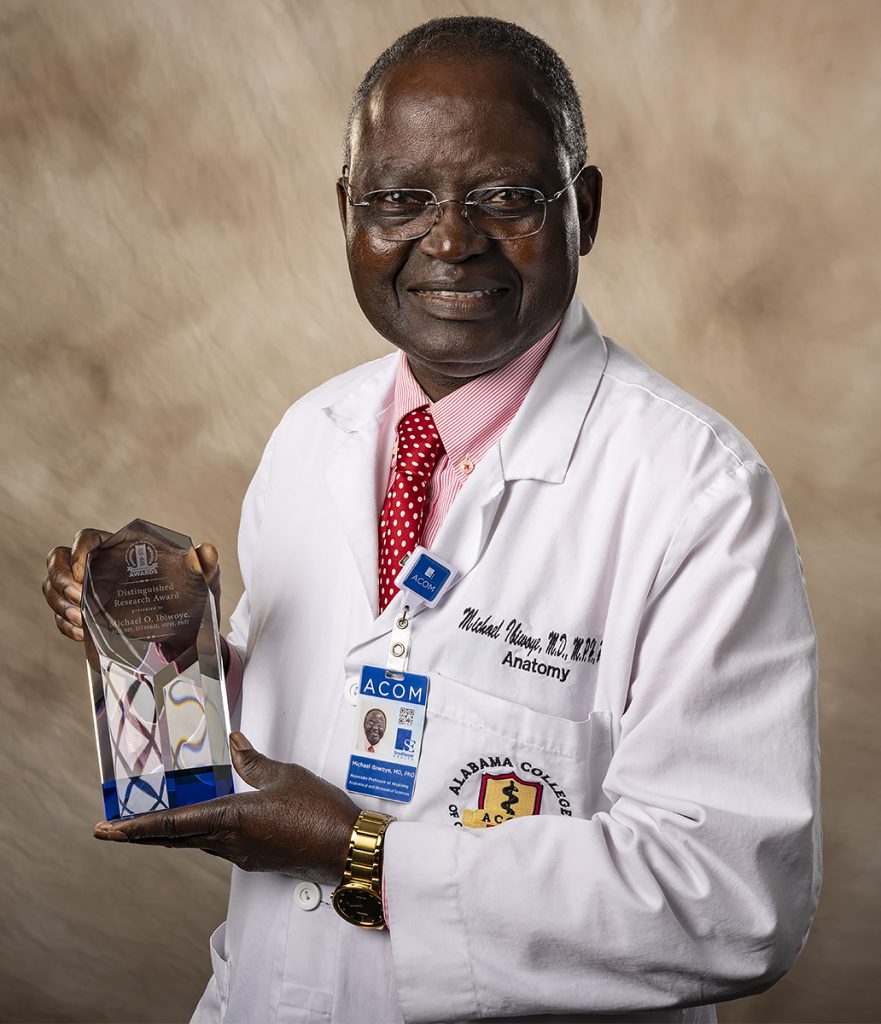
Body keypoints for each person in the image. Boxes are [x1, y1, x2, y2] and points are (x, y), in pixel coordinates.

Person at [42, 16, 820, 1024]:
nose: (449, 240)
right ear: (347, 211)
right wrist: (167, 649)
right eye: (398, 199)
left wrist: (357, 854)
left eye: (505, 197)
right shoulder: (310, 436)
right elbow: (321, 718)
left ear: (583, 209)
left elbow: (730, 901)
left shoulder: (696, 492)